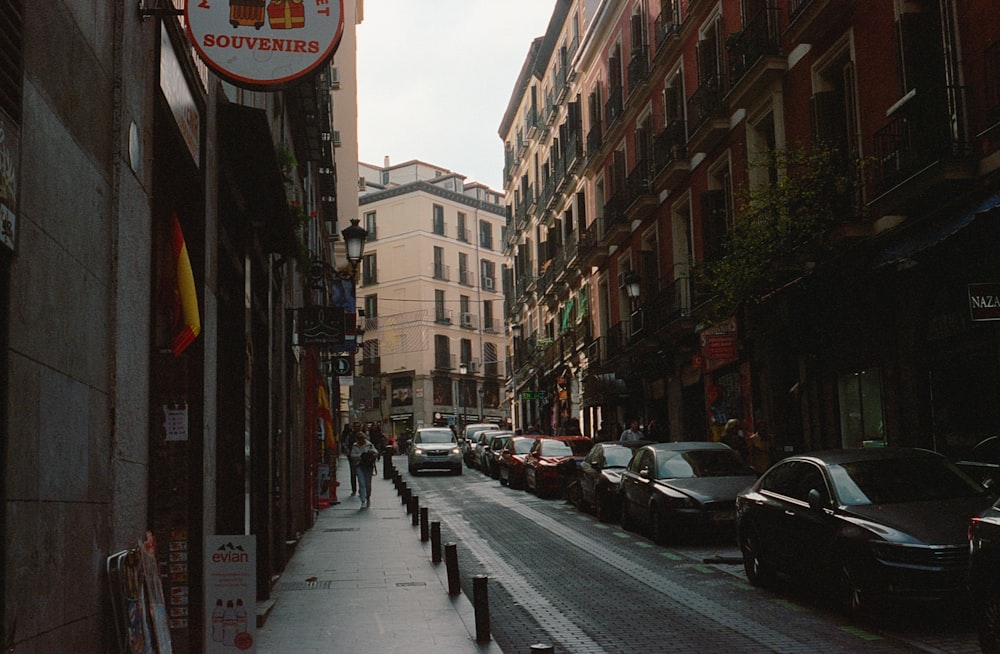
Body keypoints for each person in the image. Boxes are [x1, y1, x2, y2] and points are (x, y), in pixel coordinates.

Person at [349, 429, 379, 508]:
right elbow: (352, 455)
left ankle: (368, 497)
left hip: (368, 466)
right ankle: (363, 500)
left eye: (362, 439)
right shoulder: (355, 446)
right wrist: (360, 456)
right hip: (359, 465)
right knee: (361, 482)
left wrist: (371, 453)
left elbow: (376, 452)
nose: (361, 441)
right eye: (359, 439)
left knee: (368, 483)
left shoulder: (369, 445)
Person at [345, 421, 363, 496]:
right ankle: (354, 489)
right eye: (356, 426)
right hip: (352, 457)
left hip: (361, 457)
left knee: (361, 473)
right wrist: (348, 452)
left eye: (358, 426)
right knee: (353, 473)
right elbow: (346, 444)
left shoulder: (363, 435)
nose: (357, 428)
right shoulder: (351, 435)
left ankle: (361, 489)